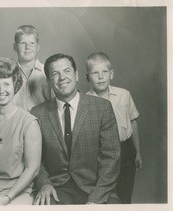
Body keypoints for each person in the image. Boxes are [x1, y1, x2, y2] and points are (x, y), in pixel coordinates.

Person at [30, 53, 121, 205]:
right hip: (56, 188)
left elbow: (111, 157)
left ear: (77, 75)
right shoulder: (37, 113)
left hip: (96, 187)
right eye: (55, 74)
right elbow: (34, 158)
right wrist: (44, 183)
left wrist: (95, 199)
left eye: (67, 71)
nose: (62, 77)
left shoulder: (102, 108)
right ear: (49, 81)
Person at [0, 57, 42, 205]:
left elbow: (33, 169)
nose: (1, 90)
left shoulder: (29, 123)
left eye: (6, 84)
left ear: (15, 86)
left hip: (19, 192)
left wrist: (7, 198)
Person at [85, 52, 143, 203]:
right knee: (105, 196)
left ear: (111, 74)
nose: (100, 77)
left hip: (125, 150)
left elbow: (133, 122)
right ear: (87, 77)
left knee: (125, 195)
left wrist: (138, 152)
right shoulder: (84, 102)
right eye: (95, 73)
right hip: (100, 154)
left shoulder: (124, 95)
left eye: (104, 72)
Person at [12, 25, 52, 111]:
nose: (27, 47)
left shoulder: (47, 72)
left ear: (38, 47)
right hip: (16, 123)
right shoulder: (9, 73)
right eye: (23, 43)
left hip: (42, 122)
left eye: (32, 43)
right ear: (15, 47)